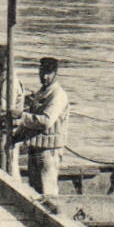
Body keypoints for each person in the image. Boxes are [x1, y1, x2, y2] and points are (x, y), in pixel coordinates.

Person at [10, 56, 70, 195]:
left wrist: (20, 116)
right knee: (35, 190)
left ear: (55, 73)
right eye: (42, 72)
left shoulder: (58, 95)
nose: (44, 77)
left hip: (49, 151)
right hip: (35, 148)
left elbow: (45, 122)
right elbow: (32, 118)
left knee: (48, 192)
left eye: (48, 73)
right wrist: (17, 136)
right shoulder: (42, 92)